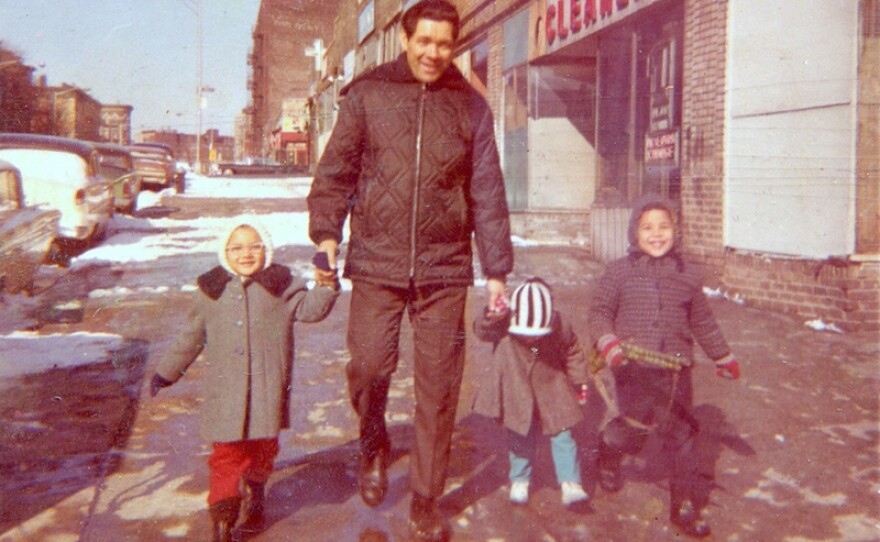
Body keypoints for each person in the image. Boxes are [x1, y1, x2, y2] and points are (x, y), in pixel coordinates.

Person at [307, 0, 513, 539]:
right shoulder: (368, 93)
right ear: (406, 38)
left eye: (444, 44)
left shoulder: (470, 107)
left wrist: (497, 269)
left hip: (445, 267)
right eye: (425, 41)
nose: (433, 53)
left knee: (440, 385)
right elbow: (335, 172)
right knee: (371, 366)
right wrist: (327, 234)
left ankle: (426, 495)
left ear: (455, 45)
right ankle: (373, 438)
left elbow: (487, 190)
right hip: (376, 259)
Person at [149, 219, 339, 542]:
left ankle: (256, 487)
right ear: (225, 253)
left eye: (254, 246)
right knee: (226, 456)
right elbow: (190, 338)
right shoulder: (212, 291)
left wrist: (326, 285)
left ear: (266, 250)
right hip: (226, 394)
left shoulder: (281, 286)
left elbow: (311, 310)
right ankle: (223, 519)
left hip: (267, 390)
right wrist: (166, 372)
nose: (246, 253)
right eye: (236, 247)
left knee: (263, 449)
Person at [587, 195, 741, 538]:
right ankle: (608, 453)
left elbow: (702, 320)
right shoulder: (619, 272)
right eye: (647, 228)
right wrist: (611, 348)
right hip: (633, 368)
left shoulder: (687, 275)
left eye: (664, 226)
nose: (656, 235)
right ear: (634, 233)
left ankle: (683, 507)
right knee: (634, 430)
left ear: (676, 230)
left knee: (683, 437)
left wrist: (722, 355)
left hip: (676, 370)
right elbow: (598, 314)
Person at [472, 278, 591, 512]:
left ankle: (570, 483)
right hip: (517, 388)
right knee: (520, 436)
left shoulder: (559, 325)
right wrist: (491, 315)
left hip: (552, 387)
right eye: (526, 335)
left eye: (537, 335)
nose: (532, 340)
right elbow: (481, 330)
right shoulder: (503, 323)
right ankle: (520, 479)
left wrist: (578, 381)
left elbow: (573, 351)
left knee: (563, 434)